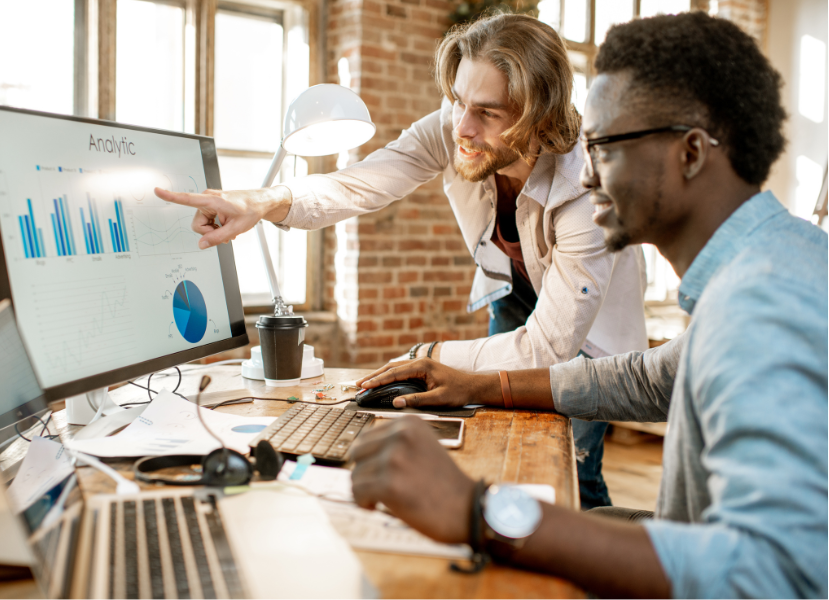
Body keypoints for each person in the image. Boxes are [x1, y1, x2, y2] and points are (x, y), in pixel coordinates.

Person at [347, 11, 828, 599]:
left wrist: (478, 509)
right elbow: (652, 379)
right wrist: (477, 384)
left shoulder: (765, 304)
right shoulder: (769, 263)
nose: (585, 176)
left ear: (691, 153)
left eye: (602, 146)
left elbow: (779, 574)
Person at [155, 13, 648, 509]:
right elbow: (362, 182)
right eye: (458, 101)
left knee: (570, 458)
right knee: (503, 431)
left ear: (537, 114)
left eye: (488, 113)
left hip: (587, 330)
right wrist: (263, 202)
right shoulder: (454, 125)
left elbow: (548, 349)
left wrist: (428, 355)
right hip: (515, 292)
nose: (462, 127)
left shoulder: (587, 186)